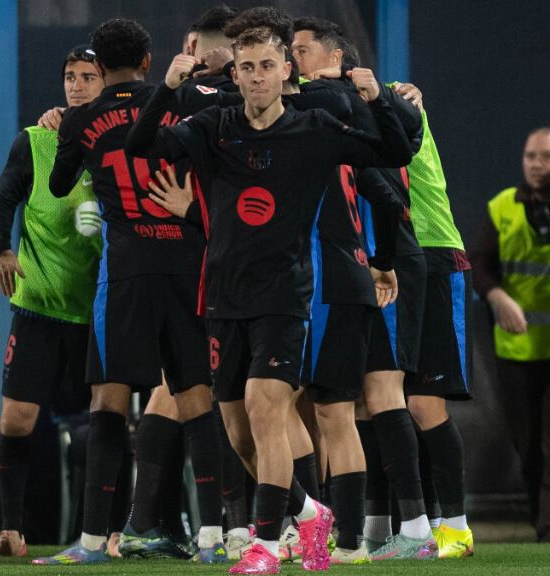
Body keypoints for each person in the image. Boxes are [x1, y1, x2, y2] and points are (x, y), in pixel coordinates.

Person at [126, 26, 413, 574]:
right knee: (238, 432)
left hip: (285, 296)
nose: (257, 77)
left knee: (265, 410)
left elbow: (395, 150)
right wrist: (164, 88)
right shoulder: (214, 126)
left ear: (287, 72)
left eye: (267, 66)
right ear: (235, 75)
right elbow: (142, 147)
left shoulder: (317, 128)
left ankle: (265, 547)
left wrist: (380, 97)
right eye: (247, 67)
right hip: (224, 297)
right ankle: (308, 512)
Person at [32, 19, 225, 565]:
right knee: (196, 399)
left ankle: (94, 541)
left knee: (108, 403)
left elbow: (58, 184)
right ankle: (211, 537)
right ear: (146, 61)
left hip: (128, 271)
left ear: (104, 64)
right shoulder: (182, 102)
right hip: (187, 265)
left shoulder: (83, 117)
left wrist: (73, 131)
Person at [294, 17, 475, 560]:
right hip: (376, 255)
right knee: (370, 399)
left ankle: (447, 528)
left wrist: (390, 100)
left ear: (333, 58)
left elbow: (395, 168)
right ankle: (377, 527)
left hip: (426, 252)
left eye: (299, 52)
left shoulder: (379, 101)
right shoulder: (343, 105)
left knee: (416, 401)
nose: (292, 63)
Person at [0, 45, 105, 558]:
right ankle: (11, 531)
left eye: (87, 77)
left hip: (99, 310)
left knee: (108, 423)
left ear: (106, 82)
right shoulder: (35, 140)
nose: (76, 86)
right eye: (70, 76)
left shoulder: (123, 143)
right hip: (39, 307)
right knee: (15, 421)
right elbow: (3, 198)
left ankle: (107, 534)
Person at [473, 128, 550, 542]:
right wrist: (496, 297)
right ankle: (542, 520)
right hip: (518, 350)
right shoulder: (503, 207)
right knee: (527, 445)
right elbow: (479, 264)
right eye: (530, 156)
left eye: (546, 156)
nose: (535, 164)